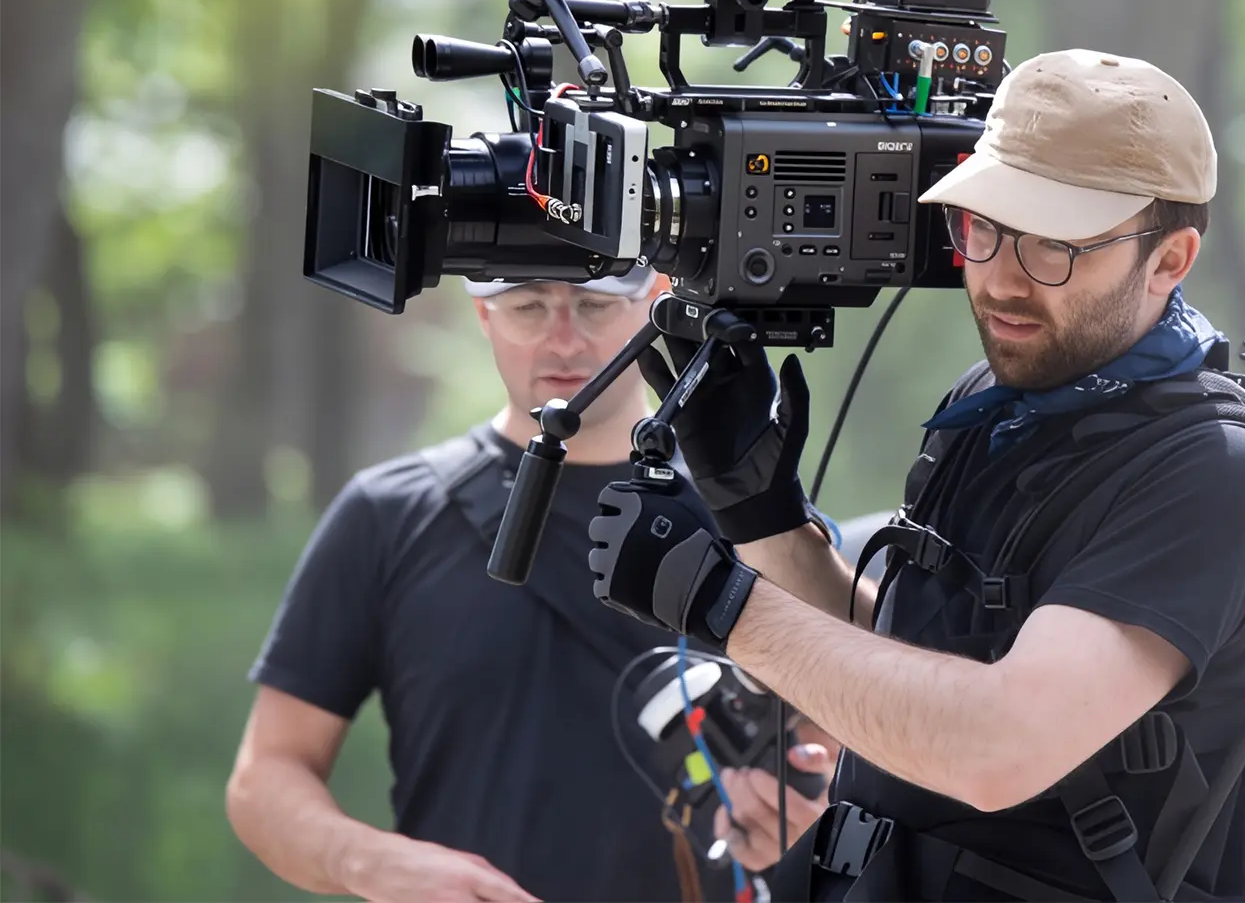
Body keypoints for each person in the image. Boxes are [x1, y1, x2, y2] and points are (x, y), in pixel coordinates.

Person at [588, 49, 1245, 900]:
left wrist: (725, 606)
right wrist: (756, 510)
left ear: (1169, 260)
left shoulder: (1214, 475)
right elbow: (895, 687)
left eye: (1055, 244)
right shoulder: (999, 402)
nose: (1005, 279)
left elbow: (995, 746)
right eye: (984, 228)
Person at [226, 268, 831, 903]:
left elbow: (854, 745)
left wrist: (808, 816)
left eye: (595, 305)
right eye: (528, 306)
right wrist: (368, 863)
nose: (563, 340)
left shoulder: (756, 515)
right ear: (483, 315)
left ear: (656, 303)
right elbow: (266, 774)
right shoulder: (387, 515)